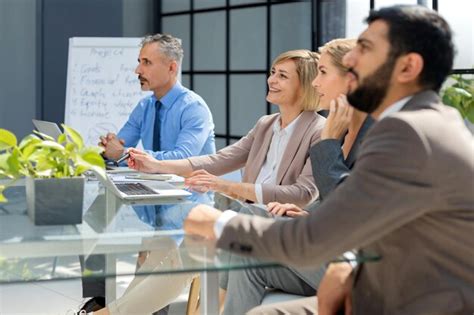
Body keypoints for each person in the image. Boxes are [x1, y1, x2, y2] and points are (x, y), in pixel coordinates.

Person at [183, 5, 474, 315]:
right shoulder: (422, 121)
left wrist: (220, 223)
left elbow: (321, 237)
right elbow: (361, 215)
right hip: (382, 278)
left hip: (411, 300)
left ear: (408, 67)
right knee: (256, 290)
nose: (350, 60)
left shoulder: (407, 130)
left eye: (365, 48)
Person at [217, 39, 376, 315]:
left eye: (323, 72)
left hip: (361, 268)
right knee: (248, 262)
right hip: (332, 252)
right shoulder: (344, 129)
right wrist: (307, 216)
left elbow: (352, 213)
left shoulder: (373, 135)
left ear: (350, 79)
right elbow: (336, 204)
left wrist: (327, 144)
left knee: (249, 219)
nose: (315, 83)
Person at [128, 49, 325, 207]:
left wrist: (225, 186)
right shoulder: (266, 124)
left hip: (283, 226)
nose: (271, 80)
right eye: (273, 72)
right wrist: (157, 166)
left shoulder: (319, 131)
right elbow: (220, 160)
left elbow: (303, 194)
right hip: (249, 213)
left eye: (282, 76)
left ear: (305, 86)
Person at [100, 33, 215, 161]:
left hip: (191, 181)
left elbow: (182, 160)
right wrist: (106, 150)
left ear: (171, 68)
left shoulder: (194, 108)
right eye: (139, 62)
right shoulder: (144, 107)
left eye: (147, 62)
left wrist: (124, 154)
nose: (138, 70)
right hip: (153, 181)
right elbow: (118, 149)